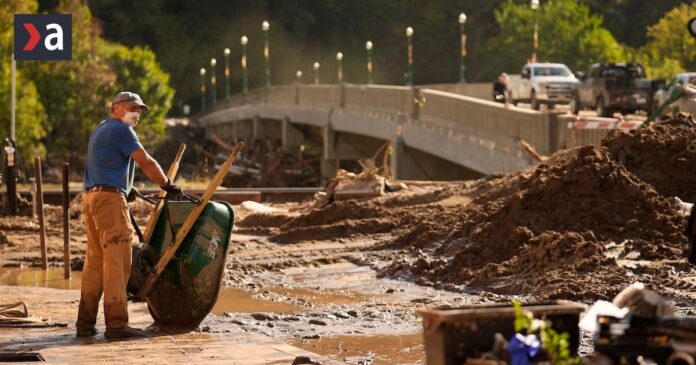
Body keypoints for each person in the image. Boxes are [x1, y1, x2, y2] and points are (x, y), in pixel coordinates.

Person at [76, 91, 182, 338]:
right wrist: (167, 184)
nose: (136, 113)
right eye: (132, 108)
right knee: (118, 261)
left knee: (95, 263)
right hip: (109, 202)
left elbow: (104, 163)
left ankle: (85, 323)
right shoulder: (122, 131)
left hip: (93, 199)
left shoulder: (101, 129)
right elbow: (146, 161)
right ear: (116, 107)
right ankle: (116, 325)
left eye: (140, 110)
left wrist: (125, 186)